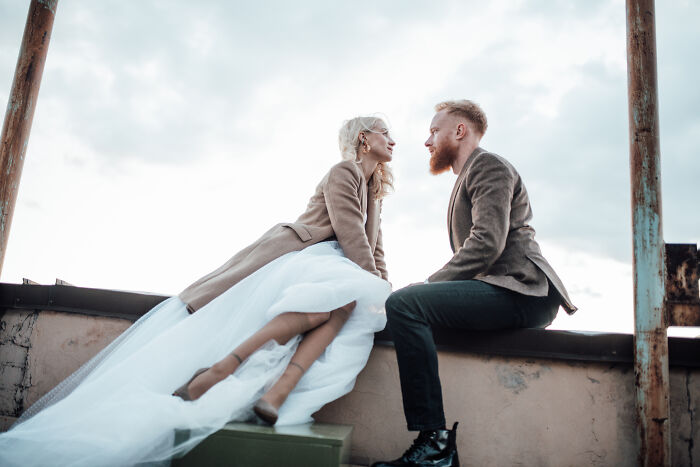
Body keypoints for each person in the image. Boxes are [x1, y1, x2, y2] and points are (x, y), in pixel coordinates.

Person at [0, 115, 395, 467]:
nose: (392, 141)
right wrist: (372, 282)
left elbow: (375, 248)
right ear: (364, 138)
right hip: (303, 253)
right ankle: (231, 371)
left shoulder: (374, 192)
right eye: (385, 133)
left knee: (345, 299)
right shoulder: (343, 171)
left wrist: (383, 289)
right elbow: (350, 233)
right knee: (337, 298)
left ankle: (272, 392)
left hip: (337, 266)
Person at [371, 100, 576, 467]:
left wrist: (428, 285)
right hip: (504, 289)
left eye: (434, 130)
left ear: (459, 131)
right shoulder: (468, 175)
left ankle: (434, 443)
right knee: (411, 305)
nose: (427, 141)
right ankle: (435, 445)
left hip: (522, 289)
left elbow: (486, 243)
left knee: (405, 304)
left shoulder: (489, 166)